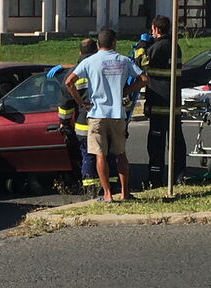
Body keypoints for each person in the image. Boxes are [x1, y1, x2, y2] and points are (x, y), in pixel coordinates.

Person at [65, 29, 147, 202]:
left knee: (100, 155)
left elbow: (68, 82)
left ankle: (108, 195)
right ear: (114, 42)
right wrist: (126, 90)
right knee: (121, 154)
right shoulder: (124, 60)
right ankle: (125, 193)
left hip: (97, 113)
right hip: (118, 113)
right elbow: (144, 79)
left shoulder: (90, 61)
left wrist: (80, 103)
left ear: (97, 44)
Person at [57, 39, 118, 195]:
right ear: (97, 49)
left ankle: (91, 189)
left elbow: (65, 104)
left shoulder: (73, 73)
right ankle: (110, 188)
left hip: (84, 124)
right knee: (108, 155)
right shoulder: (105, 68)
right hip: (108, 119)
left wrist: (64, 122)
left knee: (89, 157)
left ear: (79, 53)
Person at [139, 16, 187, 188]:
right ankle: (179, 176)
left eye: (152, 30)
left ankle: (155, 179)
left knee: (156, 145)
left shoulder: (159, 47)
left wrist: (141, 46)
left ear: (156, 29)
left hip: (159, 104)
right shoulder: (175, 46)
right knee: (176, 142)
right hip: (173, 104)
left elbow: (141, 63)